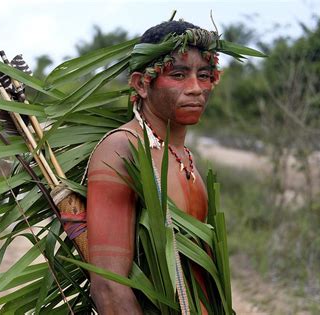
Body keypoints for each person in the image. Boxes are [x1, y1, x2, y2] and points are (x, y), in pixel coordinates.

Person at [86, 20, 220, 314]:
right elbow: (109, 286)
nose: (196, 88)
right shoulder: (124, 149)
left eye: (205, 75)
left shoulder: (185, 157)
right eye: (178, 75)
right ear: (141, 84)